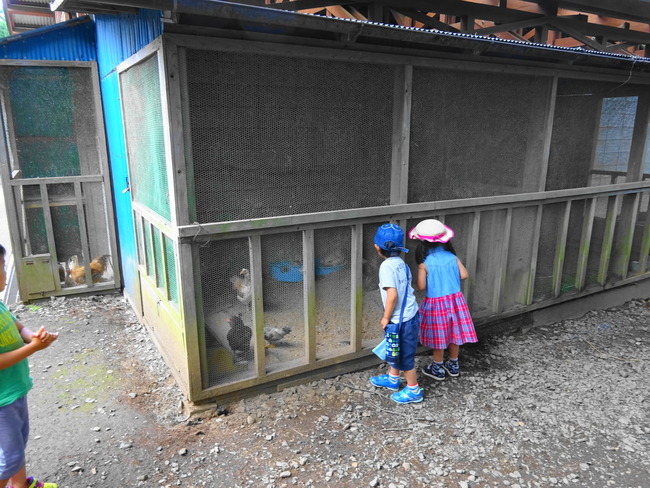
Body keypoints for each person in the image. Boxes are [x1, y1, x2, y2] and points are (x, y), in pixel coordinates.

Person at [0, 244, 59, 488]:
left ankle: (21, 485)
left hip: (14, 392)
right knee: (9, 457)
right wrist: (33, 348)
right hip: (2, 400)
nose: (5, 272)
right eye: (2, 267)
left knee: (17, 444)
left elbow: (17, 325)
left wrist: (33, 336)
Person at [409, 219, 477, 381]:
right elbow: (464, 275)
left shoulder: (425, 264)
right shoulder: (452, 257)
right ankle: (454, 364)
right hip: (455, 302)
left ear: (421, 244)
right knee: (455, 335)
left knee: (438, 337)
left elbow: (421, 286)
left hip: (436, 305)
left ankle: (437, 368)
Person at [368, 223, 422, 404]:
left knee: (405, 357)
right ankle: (392, 379)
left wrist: (386, 317)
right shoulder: (401, 263)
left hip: (401, 320)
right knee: (395, 348)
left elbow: (392, 294)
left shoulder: (386, 267)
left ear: (377, 247)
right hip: (410, 314)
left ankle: (413, 390)